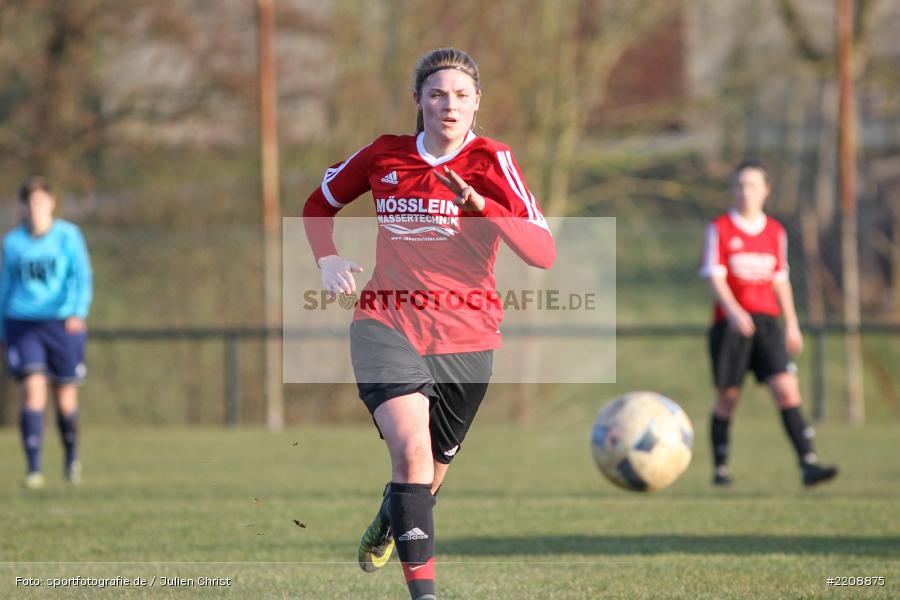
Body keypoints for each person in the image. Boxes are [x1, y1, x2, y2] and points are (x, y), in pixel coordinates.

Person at [303, 48, 555, 600]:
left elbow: (543, 253)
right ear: (417, 100)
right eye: (437, 93)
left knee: (426, 479)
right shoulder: (383, 155)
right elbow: (317, 205)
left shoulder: (493, 161)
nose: (449, 104)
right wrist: (325, 257)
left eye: (462, 95)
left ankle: (390, 517)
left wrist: (485, 207)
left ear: (476, 103)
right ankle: (426, 596)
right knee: (412, 452)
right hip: (385, 322)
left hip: (468, 337)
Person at [699, 159, 837, 488]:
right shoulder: (720, 228)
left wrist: (791, 323)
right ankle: (721, 469)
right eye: (740, 186)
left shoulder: (775, 231)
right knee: (728, 398)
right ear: (734, 190)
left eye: (752, 186)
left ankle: (808, 464)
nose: (745, 192)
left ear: (766, 190)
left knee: (787, 391)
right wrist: (733, 310)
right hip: (731, 325)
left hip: (768, 325)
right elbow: (714, 277)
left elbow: (780, 280)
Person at [0, 177, 93, 489]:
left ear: (51, 203)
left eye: (41, 201)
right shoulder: (12, 242)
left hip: (61, 324)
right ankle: (34, 468)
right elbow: (5, 286)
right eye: (30, 201)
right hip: (23, 323)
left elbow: (81, 276)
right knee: (32, 391)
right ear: (24, 206)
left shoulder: (68, 236)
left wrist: (77, 310)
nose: (35, 206)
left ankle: (71, 460)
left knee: (65, 397)